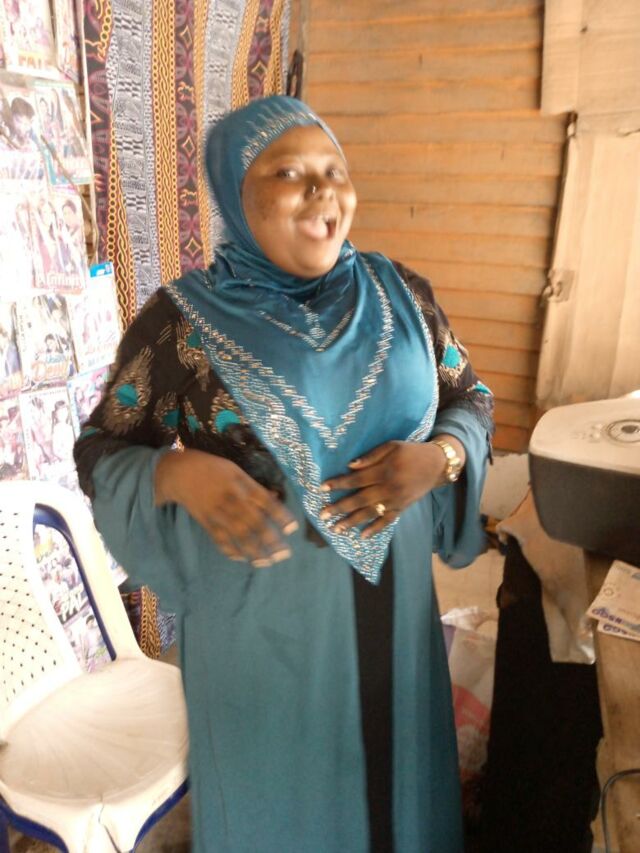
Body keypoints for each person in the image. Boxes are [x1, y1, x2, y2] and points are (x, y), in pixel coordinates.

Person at [74, 96, 494, 853]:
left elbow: (469, 397)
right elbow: (101, 447)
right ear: (236, 191)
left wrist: (441, 458)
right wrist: (175, 475)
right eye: (289, 172)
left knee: (399, 797)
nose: (323, 191)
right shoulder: (181, 323)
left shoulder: (402, 296)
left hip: (396, 614)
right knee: (280, 810)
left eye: (335, 169)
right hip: (261, 639)